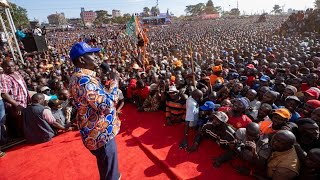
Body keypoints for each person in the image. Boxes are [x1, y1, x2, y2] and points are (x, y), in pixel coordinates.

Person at [69, 42, 121, 180]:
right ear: (81, 60)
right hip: (101, 134)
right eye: (92, 54)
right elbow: (107, 104)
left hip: (95, 132)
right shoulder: (84, 80)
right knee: (111, 174)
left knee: (105, 170)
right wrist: (115, 82)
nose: (97, 57)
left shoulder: (78, 77)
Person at [1, 60, 29, 138]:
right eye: (8, 66)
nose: (11, 68)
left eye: (12, 66)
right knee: (19, 123)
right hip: (15, 105)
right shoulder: (4, 77)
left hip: (24, 101)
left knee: (24, 121)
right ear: (3, 67)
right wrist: (17, 105)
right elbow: (4, 94)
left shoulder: (16, 73)